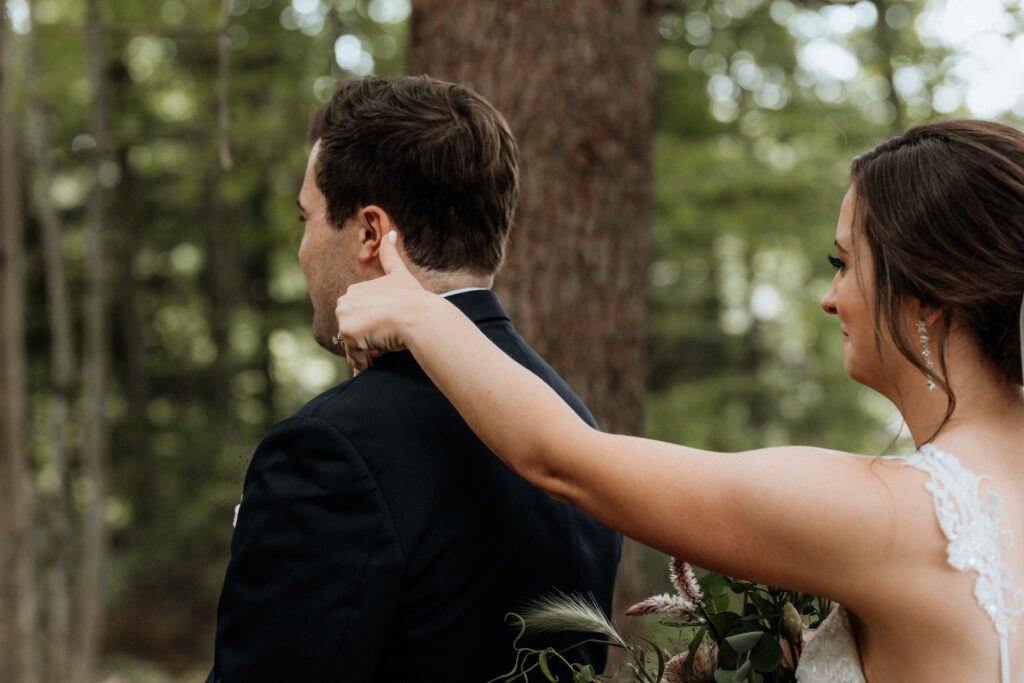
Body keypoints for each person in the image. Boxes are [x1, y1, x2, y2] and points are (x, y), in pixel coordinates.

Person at [335, 118, 1024, 682]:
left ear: (926, 293)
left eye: (843, 262)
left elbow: (562, 459)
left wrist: (420, 313)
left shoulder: (900, 515)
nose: (829, 296)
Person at [206, 76, 621, 683]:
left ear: (371, 233)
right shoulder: (574, 421)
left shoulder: (330, 447)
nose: (303, 247)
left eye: (309, 218)